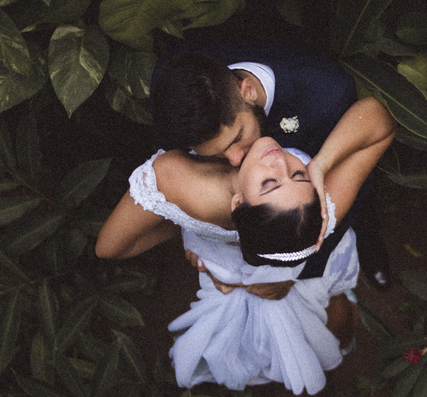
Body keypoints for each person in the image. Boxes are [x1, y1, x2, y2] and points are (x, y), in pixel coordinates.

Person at [96, 97, 395, 395]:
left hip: (225, 274)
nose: (280, 160)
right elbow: (380, 121)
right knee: (328, 304)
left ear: (237, 204)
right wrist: (321, 165)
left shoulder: (177, 179)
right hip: (292, 275)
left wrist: (183, 225)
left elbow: (109, 248)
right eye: (298, 174)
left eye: (273, 182)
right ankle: (342, 346)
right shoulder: (322, 212)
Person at [150, 41, 392, 290]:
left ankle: (370, 246)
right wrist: (195, 237)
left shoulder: (326, 94)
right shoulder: (172, 89)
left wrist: (299, 270)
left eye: (237, 138)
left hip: (326, 194)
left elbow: (357, 167)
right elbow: (182, 170)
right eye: (219, 152)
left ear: (248, 91)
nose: (235, 159)